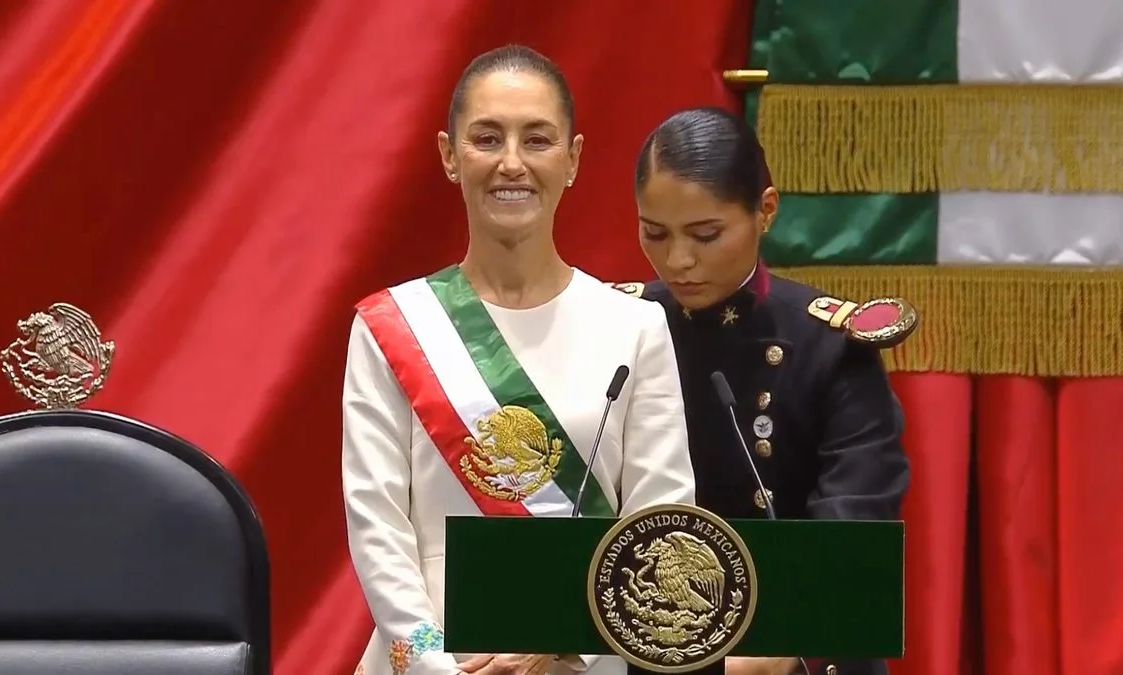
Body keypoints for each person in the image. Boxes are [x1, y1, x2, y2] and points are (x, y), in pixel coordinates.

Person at [341, 46, 697, 675]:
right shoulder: (390, 326)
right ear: (451, 156)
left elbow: (657, 528)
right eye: (486, 137)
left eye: (537, 139)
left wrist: (562, 642)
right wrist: (437, 666)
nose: (512, 162)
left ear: (573, 159)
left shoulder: (636, 327)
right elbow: (377, 528)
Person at [610, 107, 915, 675]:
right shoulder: (616, 327)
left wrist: (777, 650)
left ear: (765, 211)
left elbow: (853, 527)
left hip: (790, 649)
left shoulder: (828, 345)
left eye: (706, 235)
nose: (678, 260)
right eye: (655, 233)